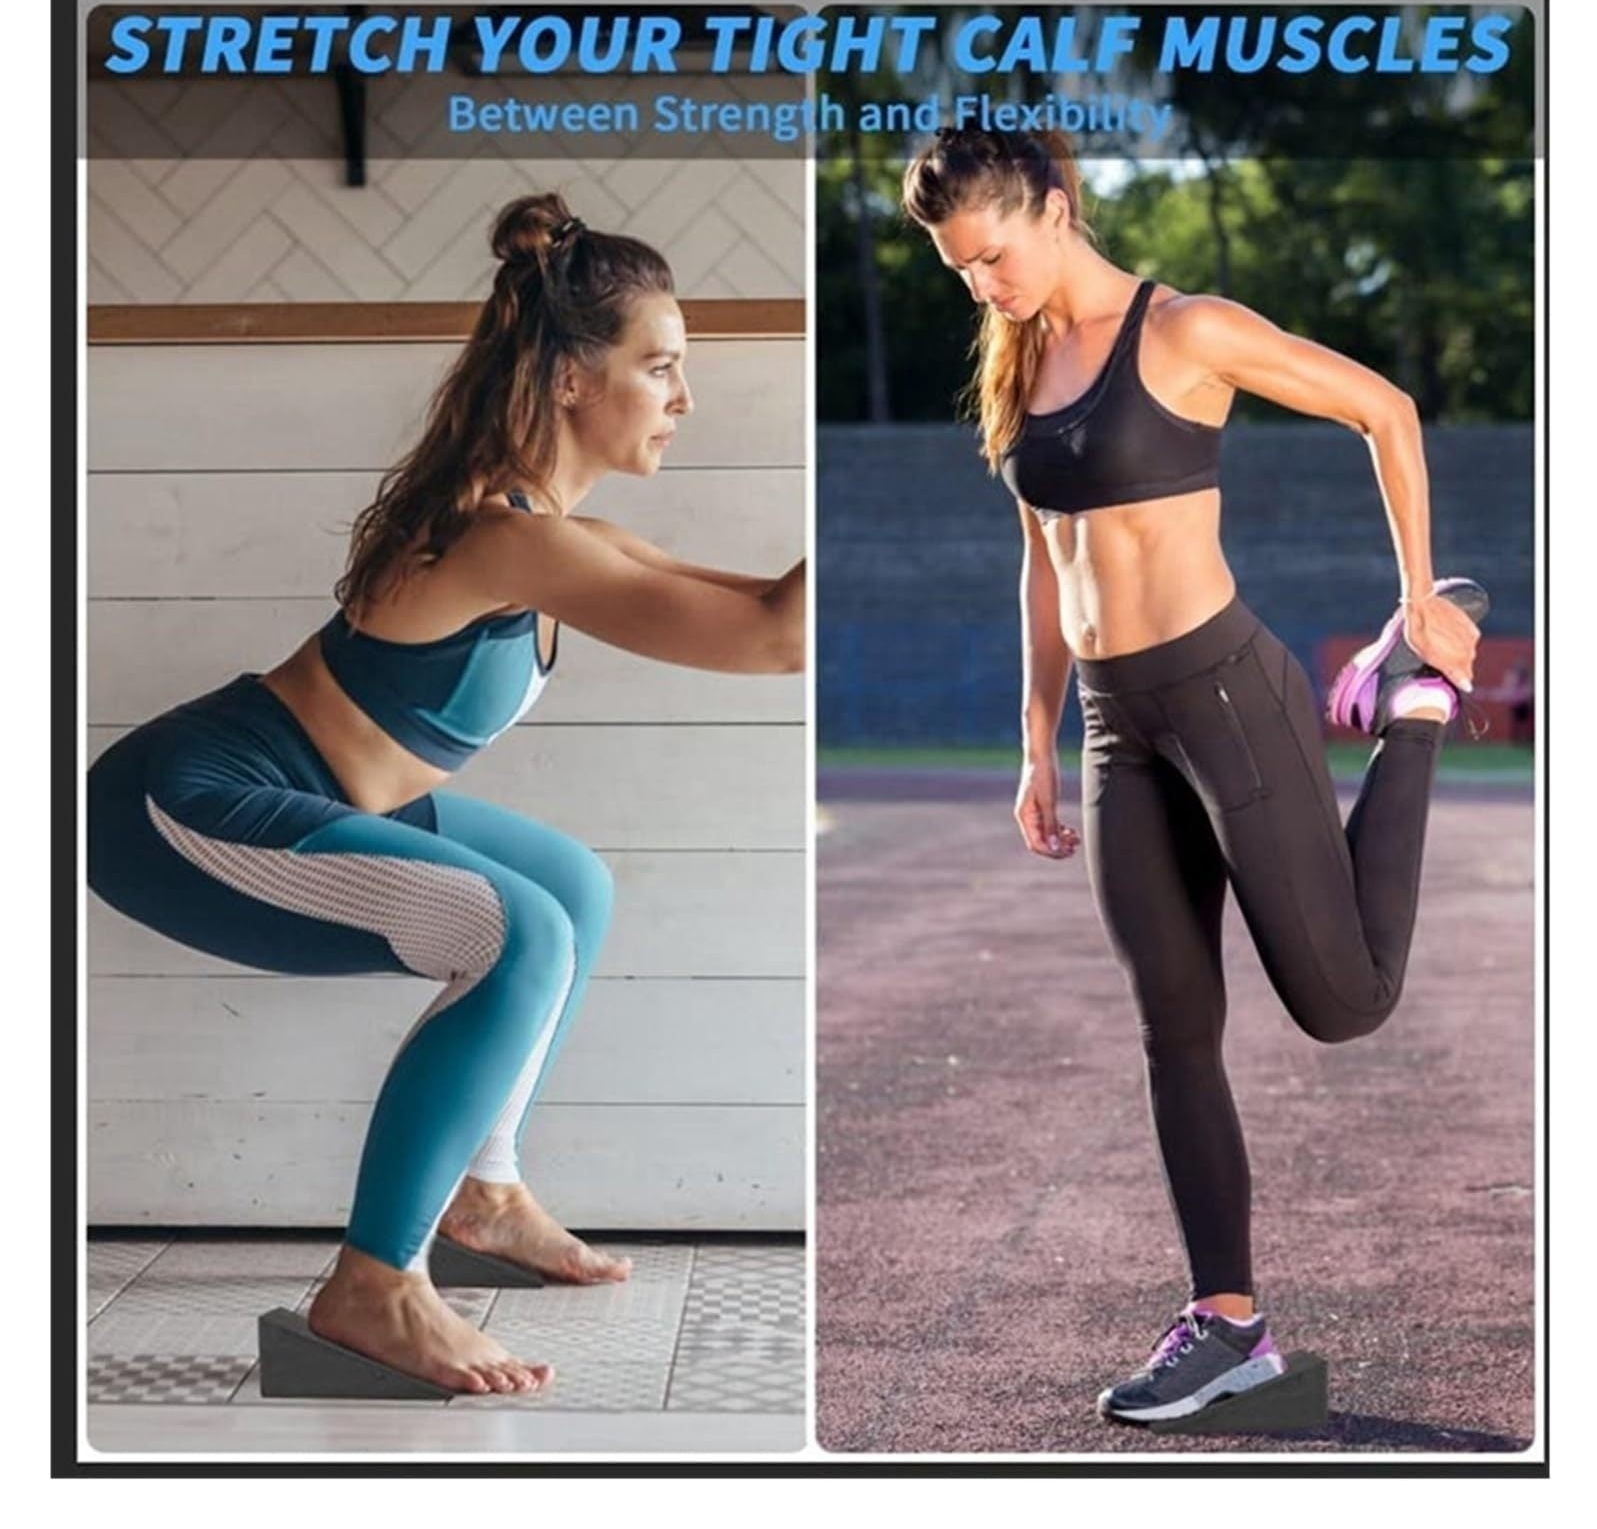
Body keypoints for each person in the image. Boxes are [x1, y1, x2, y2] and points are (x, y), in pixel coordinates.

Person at [88, 194, 807, 1397]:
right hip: (186, 800)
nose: (684, 400)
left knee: (569, 887)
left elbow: (771, 612)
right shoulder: (503, 533)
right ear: (574, 378)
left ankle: (487, 1190)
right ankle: (372, 1286)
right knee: (514, 932)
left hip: (307, 792)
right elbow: (779, 638)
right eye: (662, 369)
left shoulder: (550, 528)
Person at [901, 127, 1485, 1426]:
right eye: (957, 271)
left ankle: (1414, 712)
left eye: (991, 257)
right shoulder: (1016, 360)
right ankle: (1231, 1327)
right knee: (1175, 1025)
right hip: (1119, 728)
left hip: (1225, 697)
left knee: (1343, 1003)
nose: (981, 287)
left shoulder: (1187, 332)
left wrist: (1413, 598)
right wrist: (1035, 735)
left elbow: (1382, 409)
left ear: (1054, 212)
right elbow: (1043, 562)